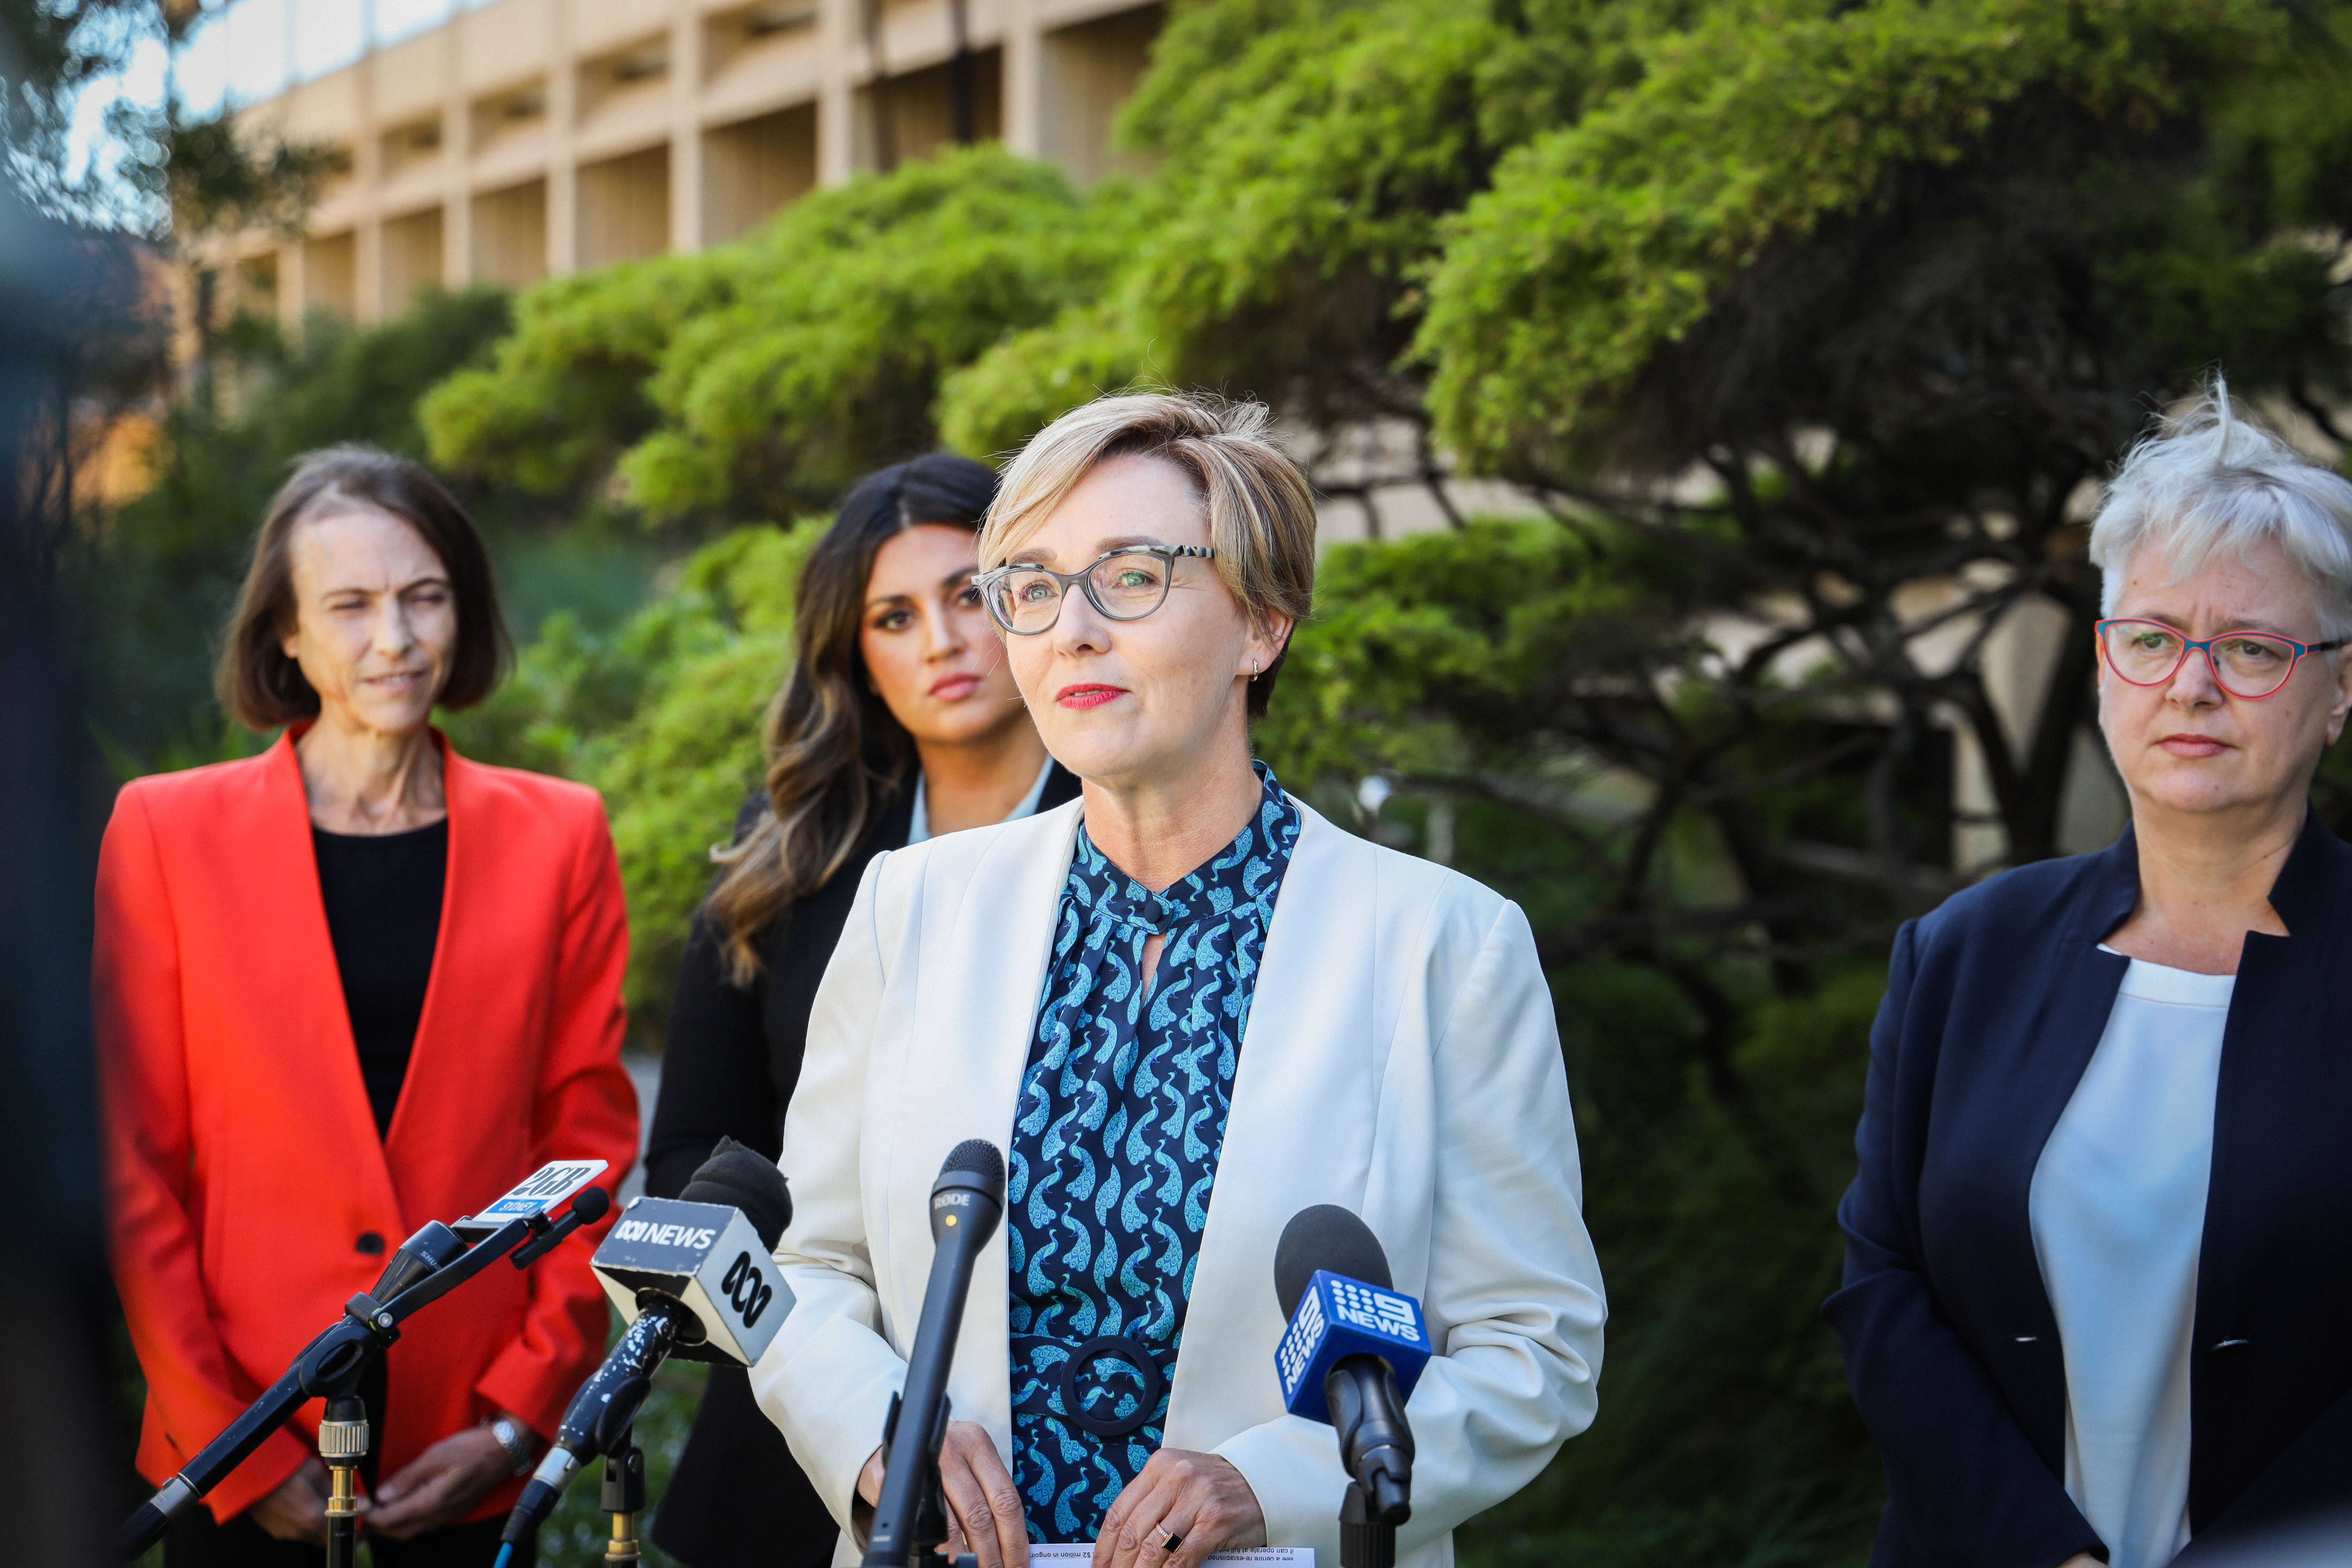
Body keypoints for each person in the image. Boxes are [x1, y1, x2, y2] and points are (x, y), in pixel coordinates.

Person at [754, 392, 1606, 1568]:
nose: (1073, 631)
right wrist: (877, 1437)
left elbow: (1534, 1349)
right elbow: (809, 1264)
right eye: (1035, 587)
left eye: (1133, 576)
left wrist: (1279, 1482)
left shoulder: (1443, 946)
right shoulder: (913, 908)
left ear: (1263, 624)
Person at [1827, 385, 2352, 1568]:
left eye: (2256, 649)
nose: (2194, 685)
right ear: (2109, 664)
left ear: (2342, 690)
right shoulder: (1964, 952)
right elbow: (1886, 1287)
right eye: (2155, 637)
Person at [96, 447, 638, 1566]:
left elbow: (585, 1153)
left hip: (463, 1438)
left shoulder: (561, 835)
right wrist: (232, 1446)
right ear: (286, 633)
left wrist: (515, 1414)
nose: (394, 638)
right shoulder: (163, 832)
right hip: (246, 1431)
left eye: (424, 598)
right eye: (349, 605)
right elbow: (132, 1165)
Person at [644, 454, 1080, 1568]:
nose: (939, 641)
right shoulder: (790, 844)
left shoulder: (1134, 834)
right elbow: (697, 1154)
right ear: (856, 652)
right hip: (798, 1423)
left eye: (968, 595)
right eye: (894, 615)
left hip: (1055, 1413)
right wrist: (832, 1364)